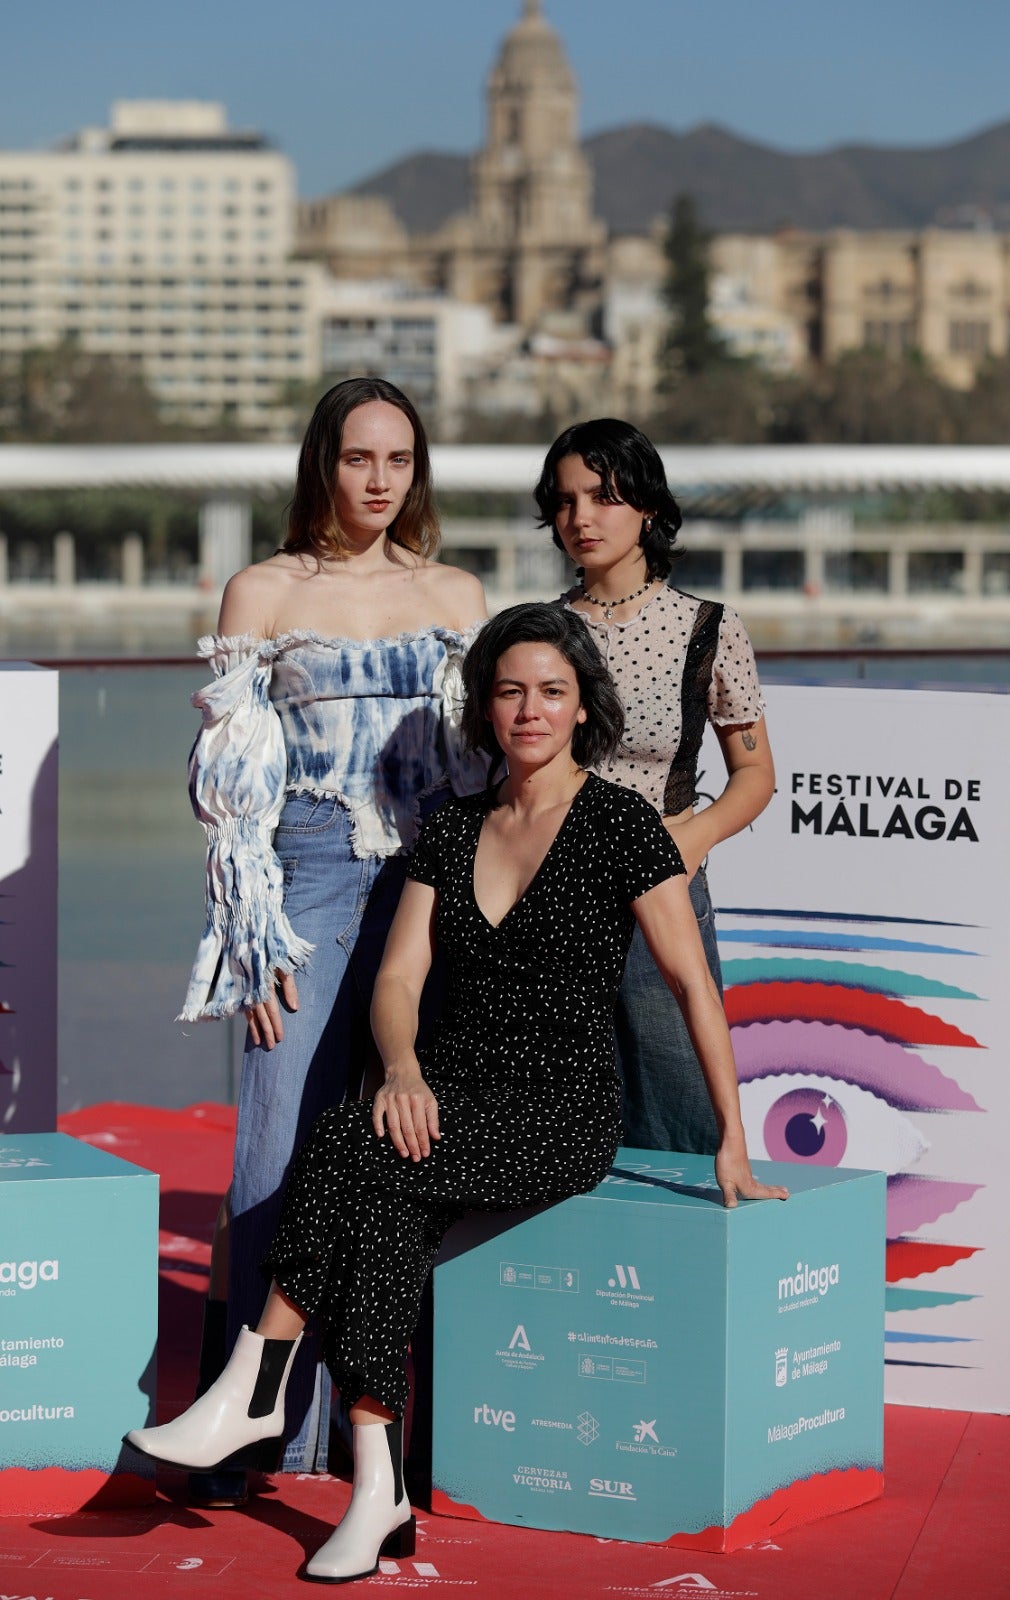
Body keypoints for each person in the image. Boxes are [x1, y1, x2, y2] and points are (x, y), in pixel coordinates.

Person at [127, 603, 788, 1583]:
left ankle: (258, 1379)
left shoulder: (619, 823)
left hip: (558, 1108)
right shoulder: (456, 829)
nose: (530, 709)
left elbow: (692, 983)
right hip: (446, 1093)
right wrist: (400, 1066)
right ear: (484, 706)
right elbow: (397, 981)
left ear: (581, 708)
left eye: (551, 691)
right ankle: (376, 1481)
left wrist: (732, 1136)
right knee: (380, 1184)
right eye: (511, 689)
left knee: (358, 1147)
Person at [178, 378, 487, 1501]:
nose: (377, 480)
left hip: (425, 884)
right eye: (359, 457)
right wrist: (250, 932)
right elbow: (228, 787)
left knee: (406, 1152)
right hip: (303, 873)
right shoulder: (263, 588)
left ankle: (386, 1431)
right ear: (324, 462)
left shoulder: (456, 588)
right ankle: (260, 1437)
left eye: (398, 460)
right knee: (272, 1149)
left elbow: (476, 771)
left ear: (418, 471)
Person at [534, 419, 775, 1156]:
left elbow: (756, 776)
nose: (581, 518)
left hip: (661, 896)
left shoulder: (708, 627)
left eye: (603, 497)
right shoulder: (542, 630)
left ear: (647, 507)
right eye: (566, 500)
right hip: (553, 897)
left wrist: (690, 838)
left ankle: (693, 1259)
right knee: (556, 1111)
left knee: (681, 1106)